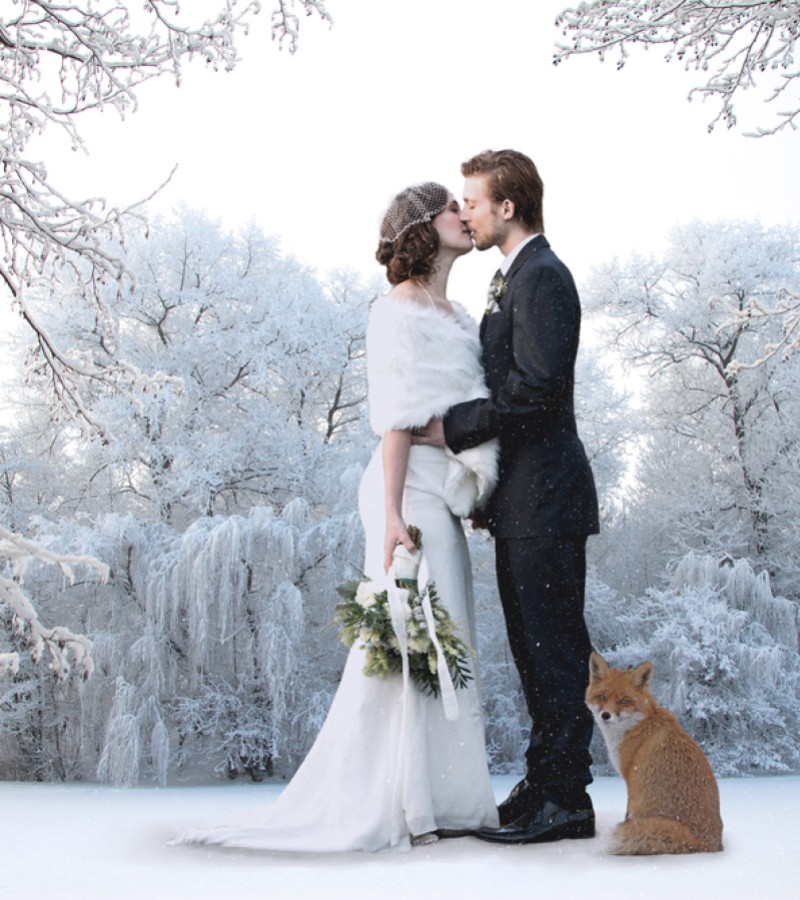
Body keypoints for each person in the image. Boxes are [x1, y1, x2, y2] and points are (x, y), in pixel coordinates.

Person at [177, 183, 499, 852]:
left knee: (448, 636)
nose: (464, 215)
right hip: (404, 487)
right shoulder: (397, 309)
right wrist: (391, 515)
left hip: (443, 489)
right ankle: (407, 801)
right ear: (422, 226)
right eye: (450, 208)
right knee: (412, 635)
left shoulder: (459, 314)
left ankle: (445, 797)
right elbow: (395, 418)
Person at [414, 150, 600, 844]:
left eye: (472, 200)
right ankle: (543, 784)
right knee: (532, 652)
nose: (464, 212)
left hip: (547, 498)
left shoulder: (543, 275)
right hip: (524, 502)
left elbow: (537, 391)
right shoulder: (514, 277)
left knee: (555, 653)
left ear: (507, 206)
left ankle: (567, 799)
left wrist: (452, 427)